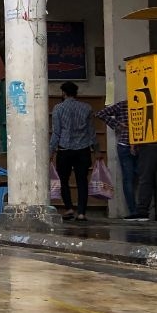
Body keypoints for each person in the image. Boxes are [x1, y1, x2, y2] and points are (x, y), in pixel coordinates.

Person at [50, 81, 96, 221]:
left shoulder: (58, 108)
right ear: (76, 93)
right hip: (83, 150)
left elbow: (56, 133)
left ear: (63, 93)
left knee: (63, 180)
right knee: (82, 181)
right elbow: (91, 132)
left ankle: (69, 208)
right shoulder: (87, 108)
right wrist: (97, 150)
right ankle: (81, 213)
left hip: (64, 150)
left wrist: (51, 151)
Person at [96, 99, 137, 215]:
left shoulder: (123, 104)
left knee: (128, 179)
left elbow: (101, 114)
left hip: (125, 143)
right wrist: (118, 124)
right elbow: (100, 113)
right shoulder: (142, 104)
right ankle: (140, 211)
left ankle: (134, 211)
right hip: (139, 145)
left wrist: (118, 124)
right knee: (143, 179)